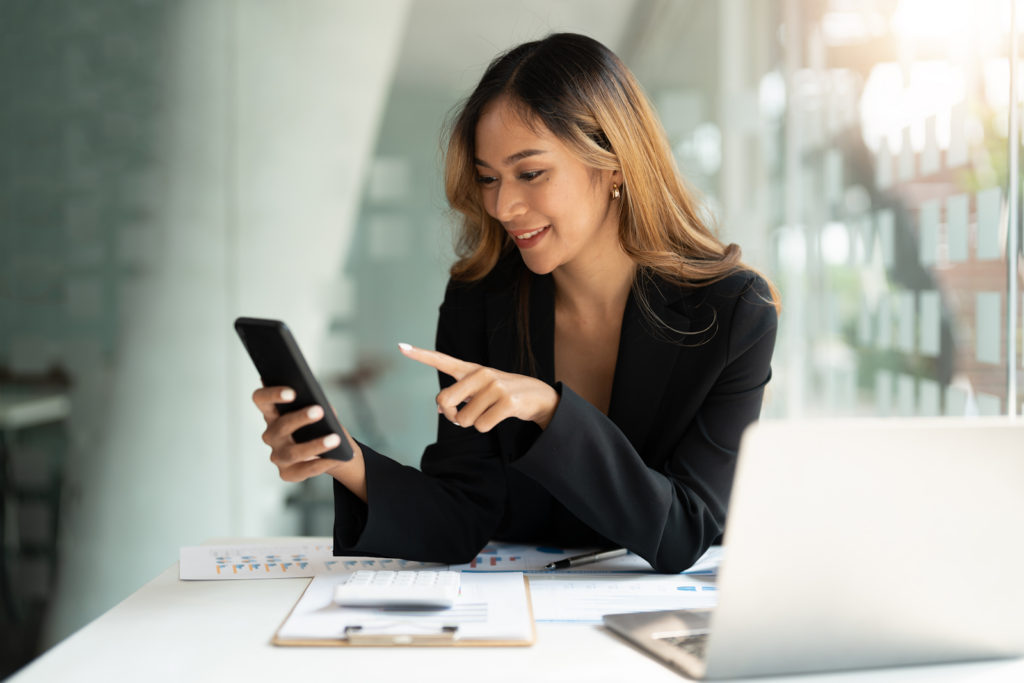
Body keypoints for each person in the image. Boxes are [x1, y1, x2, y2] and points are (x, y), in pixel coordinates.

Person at [252, 33, 778, 574]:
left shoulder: (733, 313)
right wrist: (345, 460)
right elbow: (464, 514)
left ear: (614, 163)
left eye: (530, 174)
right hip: (511, 616)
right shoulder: (481, 300)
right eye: (488, 179)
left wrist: (550, 410)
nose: (504, 206)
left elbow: (685, 530)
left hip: (656, 627)